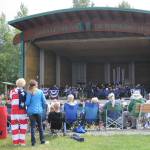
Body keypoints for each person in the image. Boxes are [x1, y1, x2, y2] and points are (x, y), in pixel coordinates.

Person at [25, 79, 48, 146]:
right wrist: (43, 108)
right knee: (40, 126)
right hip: (39, 111)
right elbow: (44, 102)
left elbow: (27, 103)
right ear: (35, 85)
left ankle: (33, 142)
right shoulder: (40, 92)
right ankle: (42, 141)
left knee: (32, 127)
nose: (38, 85)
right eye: (37, 84)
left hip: (31, 112)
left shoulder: (29, 92)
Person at [10, 78, 28, 146]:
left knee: (14, 127)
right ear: (23, 84)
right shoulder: (25, 92)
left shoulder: (12, 91)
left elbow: (11, 99)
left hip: (14, 112)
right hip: (22, 112)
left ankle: (15, 142)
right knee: (23, 127)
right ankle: (22, 142)